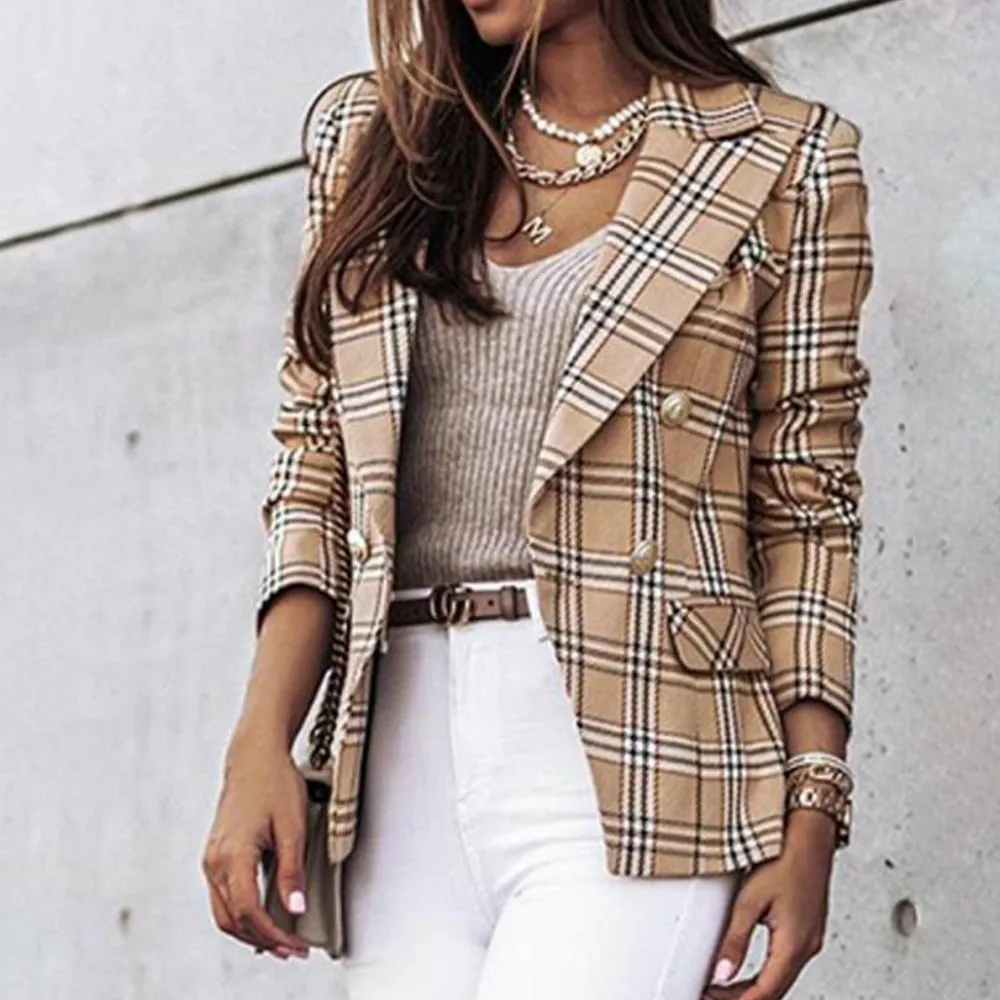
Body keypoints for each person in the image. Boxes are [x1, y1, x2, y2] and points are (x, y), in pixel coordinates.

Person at [202, 2, 874, 998]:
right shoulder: (376, 136)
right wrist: (260, 738)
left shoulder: (784, 158)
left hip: (645, 758)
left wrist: (813, 808)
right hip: (397, 763)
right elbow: (314, 464)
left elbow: (806, 514)